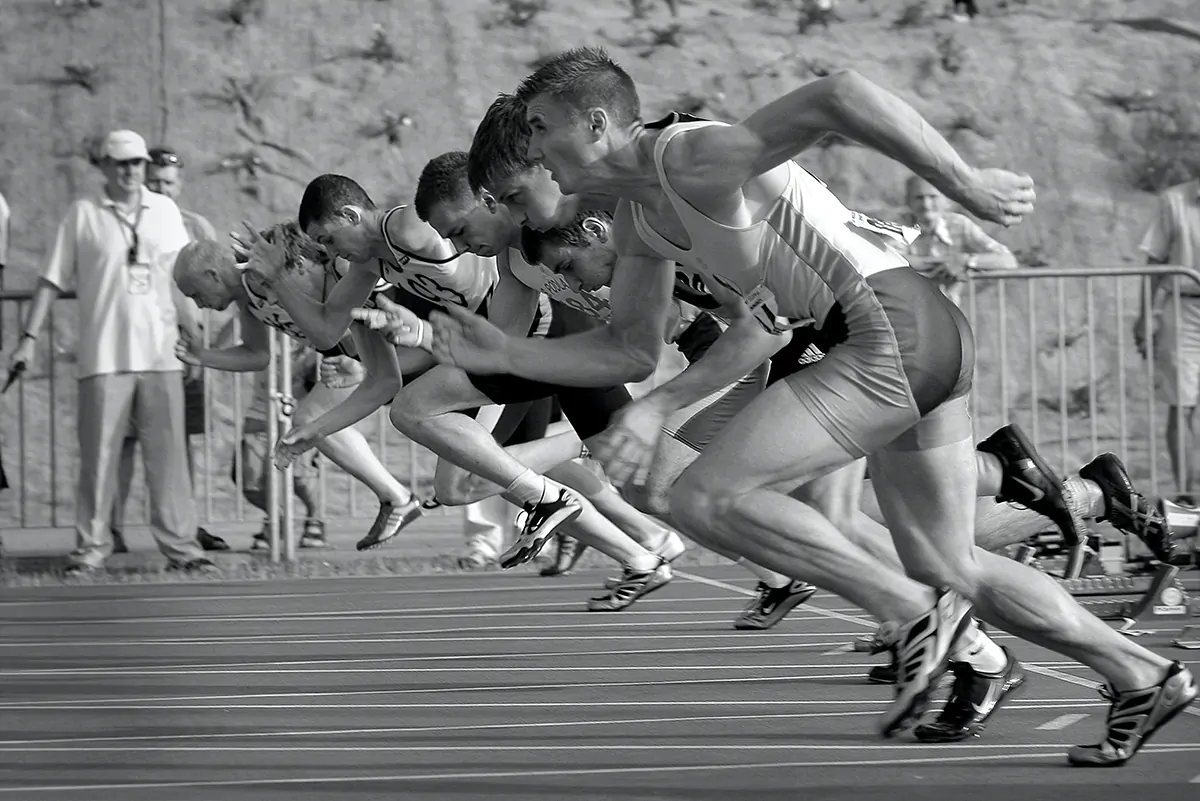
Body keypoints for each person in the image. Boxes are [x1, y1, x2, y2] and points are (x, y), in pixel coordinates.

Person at [425, 50, 1195, 762]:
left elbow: (838, 94)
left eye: (539, 137)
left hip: (883, 324)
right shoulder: (636, 220)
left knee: (702, 494)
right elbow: (627, 349)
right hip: (903, 330)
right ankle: (1139, 673)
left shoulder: (686, 156)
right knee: (945, 559)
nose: (531, 170)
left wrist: (968, 184)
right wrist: (509, 355)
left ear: (596, 126)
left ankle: (911, 611)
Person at [255, 172, 685, 610]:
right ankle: (642, 542)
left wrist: (426, 329)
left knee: (461, 474)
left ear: (351, 214)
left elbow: (462, 204)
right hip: (501, 347)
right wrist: (313, 430)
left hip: (527, 338)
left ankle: (591, 503)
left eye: (328, 240)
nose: (330, 253)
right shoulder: (369, 267)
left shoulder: (406, 228)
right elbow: (351, 351)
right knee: (633, 486)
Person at [6, 129, 214, 573]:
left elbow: (184, 275)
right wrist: (27, 339)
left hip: (161, 356)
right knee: (98, 460)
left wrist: (195, 333)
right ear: (102, 166)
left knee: (170, 459)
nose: (130, 171)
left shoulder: (164, 210)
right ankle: (91, 548)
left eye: (136, 162)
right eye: (120, 163)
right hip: (103, 358)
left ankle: (183, 549)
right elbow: (50, 280)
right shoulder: (82, 214)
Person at [172, 225, 424, 552]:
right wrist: (204, 356)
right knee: (310, 419)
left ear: (212, 274)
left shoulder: (261, 276)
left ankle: (399, 498)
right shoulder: (248, 299)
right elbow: (257, 354)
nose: (200, 304)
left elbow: (332, 288)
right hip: (359, 354)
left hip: (386, 335)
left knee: (462, 479)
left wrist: (352, 356)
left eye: (195, 293)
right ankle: (398, 498)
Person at [110, 145, 229, 554]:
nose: (161, 188)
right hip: (131, 347)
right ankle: (111, 528)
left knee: (181, 441)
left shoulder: (198, 226)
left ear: (180, 185)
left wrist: (200, 343)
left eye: (168, 182)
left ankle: (187, 525)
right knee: (122, 440)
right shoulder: (127, 222)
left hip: (180, 348)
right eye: (154, 181)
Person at [1135, 176, 1200, 505]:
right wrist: (1145, 314)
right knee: (1182, 403)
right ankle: (1188, 495)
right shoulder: (1175, 201)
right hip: (1183, 305)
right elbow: (1155, 262)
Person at [902, 176, 1018, 308]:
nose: (926, 204)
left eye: (933, 197)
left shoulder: (959, 224)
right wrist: (944, 263)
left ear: (947, 201)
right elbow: (888, 259)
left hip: (951, 311)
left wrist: (966, 261)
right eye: (919, 198)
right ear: (908, 202)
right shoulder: (898, 224)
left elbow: (1008, 260)